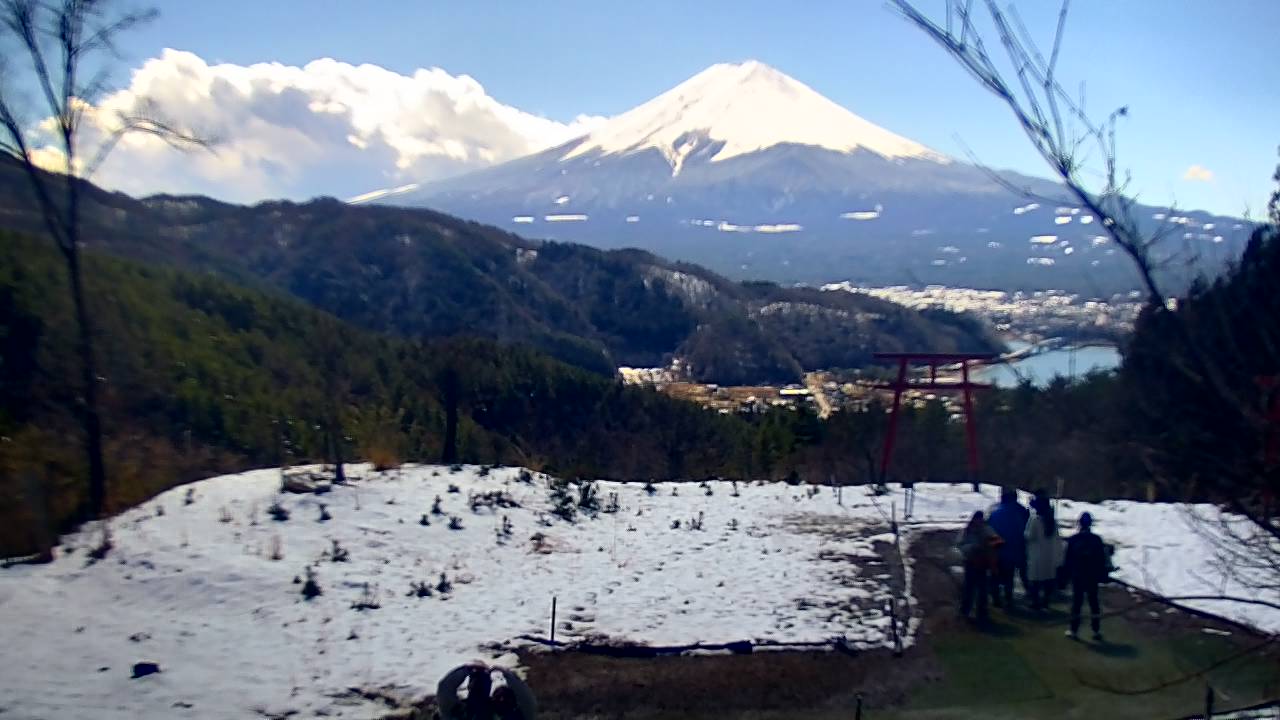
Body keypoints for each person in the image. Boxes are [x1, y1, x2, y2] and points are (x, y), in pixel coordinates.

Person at [1063, 511, 1108, 641]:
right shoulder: (1097, 540)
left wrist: (1065, 576)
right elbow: (1102, 560)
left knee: (1077, 603)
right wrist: (1102, 574)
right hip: (1092, 576)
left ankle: (1074, 630)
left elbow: (1068, 560)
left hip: (1078, 575)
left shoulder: (1074, 539)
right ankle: (1096, 630)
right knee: (1094, 603)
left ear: (1079, 524)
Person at [437, 663, 537, 720]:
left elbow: (445, 689)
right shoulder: (461, 712)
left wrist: (466, 669)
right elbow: (527, 700)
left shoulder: (459, 712)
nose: (501, 699)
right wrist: (508, 675)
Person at [986, 487, 1030, 608]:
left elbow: (989, 531)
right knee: (1010, 575)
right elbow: (1027, 530)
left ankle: (996, 598)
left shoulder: (995, 512)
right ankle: (1009, 598)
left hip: (998, 549)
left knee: (995, 575)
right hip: (1017, 548)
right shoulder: (1022, 511)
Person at [957, 510, 1002, 624]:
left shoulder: (987, 529)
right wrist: (972, 548)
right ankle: (965, 610)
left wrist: (989, 546)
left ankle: (981, 613)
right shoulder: (967, 531)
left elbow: (998, 542)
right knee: (969, 589)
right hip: (971, 562)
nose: (979, 522)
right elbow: (960, 545)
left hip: (982, 564)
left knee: (982, 590)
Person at [1024, 490, 1061, 611]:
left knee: (1035, 581)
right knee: (1047, 580)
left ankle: (1035, 603)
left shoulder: (1035, 519)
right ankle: (1046, 602)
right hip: (1049, 555)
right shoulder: (1052, 521)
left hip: (1036, 554)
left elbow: (1029, 536)